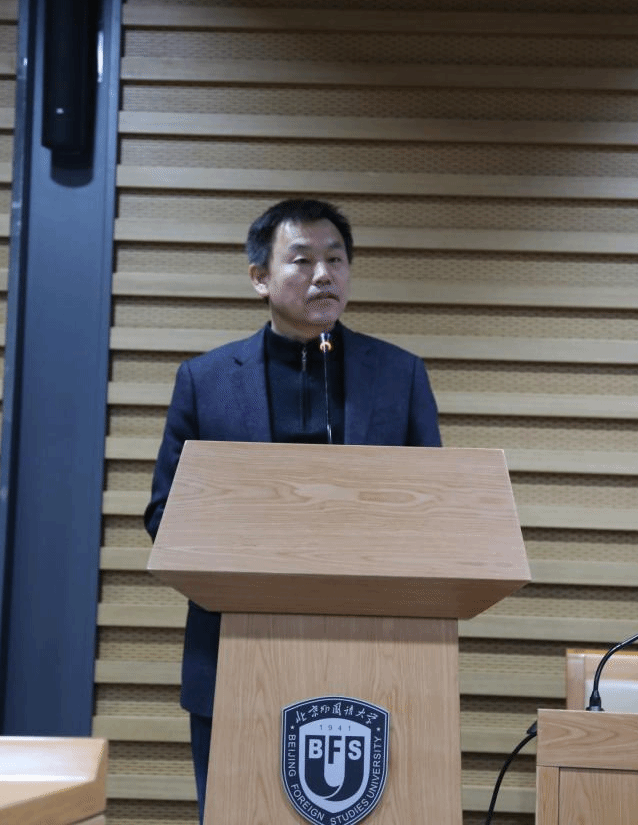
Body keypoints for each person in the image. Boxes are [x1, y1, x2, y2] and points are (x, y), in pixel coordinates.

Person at [143, 198, 442, 822]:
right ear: (260, 277)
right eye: (302, 260)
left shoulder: (400, 375)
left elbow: (435, 511)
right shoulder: (205, 380)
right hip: (235, 651)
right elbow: (165, 515)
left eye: (337, 260)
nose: (324, 275)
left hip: (377, 654)